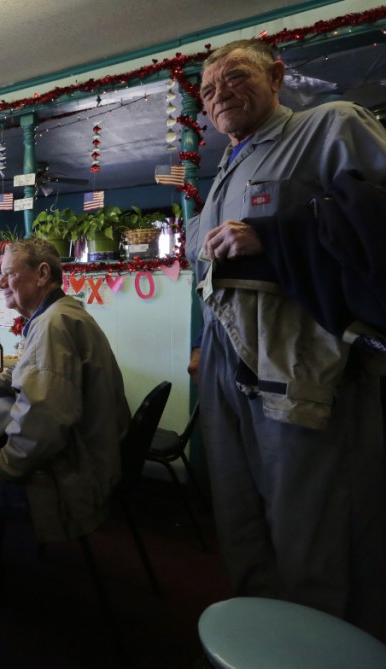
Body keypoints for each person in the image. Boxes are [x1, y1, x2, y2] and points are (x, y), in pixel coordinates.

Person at [187, 39, 386, 635]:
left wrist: (275, 233)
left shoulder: (329, 126)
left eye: (234, 76)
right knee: (238, 512)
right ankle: (260, 641)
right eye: (208, 88)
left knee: (313, 529)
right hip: (227, 364)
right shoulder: (224, 168)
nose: (219, 93)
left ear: (276, 76)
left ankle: (322, 647)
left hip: (302, 365)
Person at [0, 238, 130, 600]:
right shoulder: (63, 314)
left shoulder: (51, 325)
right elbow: (35, 372)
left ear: (42, 274)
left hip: (69, 482)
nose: (0, 284)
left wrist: (5, 466)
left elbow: (44, 417)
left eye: (8, 274)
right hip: (88, 464)